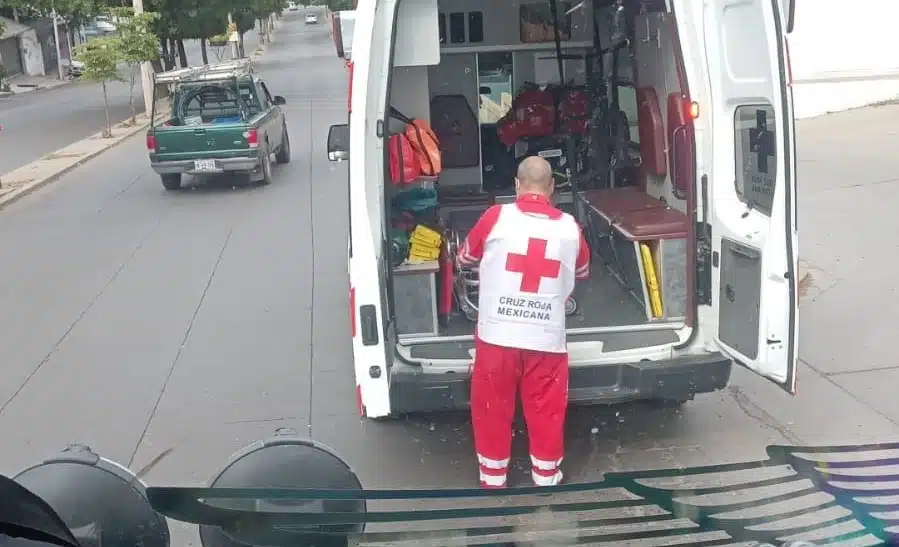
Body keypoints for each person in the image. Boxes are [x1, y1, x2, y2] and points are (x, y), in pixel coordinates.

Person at [457, 155, 590, 488]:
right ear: (552, 188)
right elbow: (583, 272)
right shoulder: (570, 227)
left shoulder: (494, 217)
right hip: (546, 338)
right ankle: (546, 477)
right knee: (546, 408)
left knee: (492, 409)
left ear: (517, 185)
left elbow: (465, 257)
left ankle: (493, 477)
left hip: (496, 336)